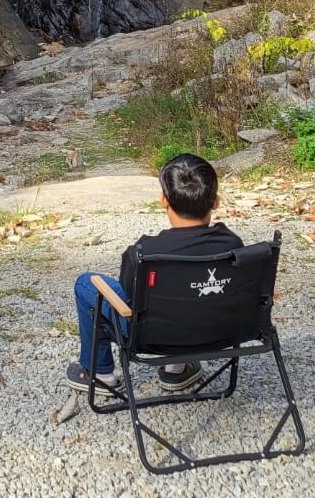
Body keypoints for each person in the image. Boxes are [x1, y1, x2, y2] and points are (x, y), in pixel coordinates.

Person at [66, 153, 243, 395]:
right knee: (191, 298)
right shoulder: (234, 245)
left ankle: (100, 372)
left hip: (152, 337)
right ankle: (176, 368)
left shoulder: (145, 253)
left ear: (163, 200)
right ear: (215, 201)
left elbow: (128, 303)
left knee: (87, 284)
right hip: (218, 330)